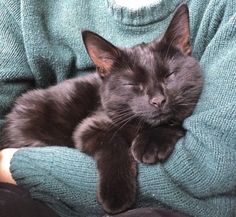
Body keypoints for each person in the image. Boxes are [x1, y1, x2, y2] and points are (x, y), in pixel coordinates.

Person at [0, 0, 235, 217]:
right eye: (136, 85)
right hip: (35, 132)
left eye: (170, 76)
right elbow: (91, 131)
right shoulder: (116, 112)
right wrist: (116, 167)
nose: (157, 98)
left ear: (184, 47)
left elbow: (210, 165)